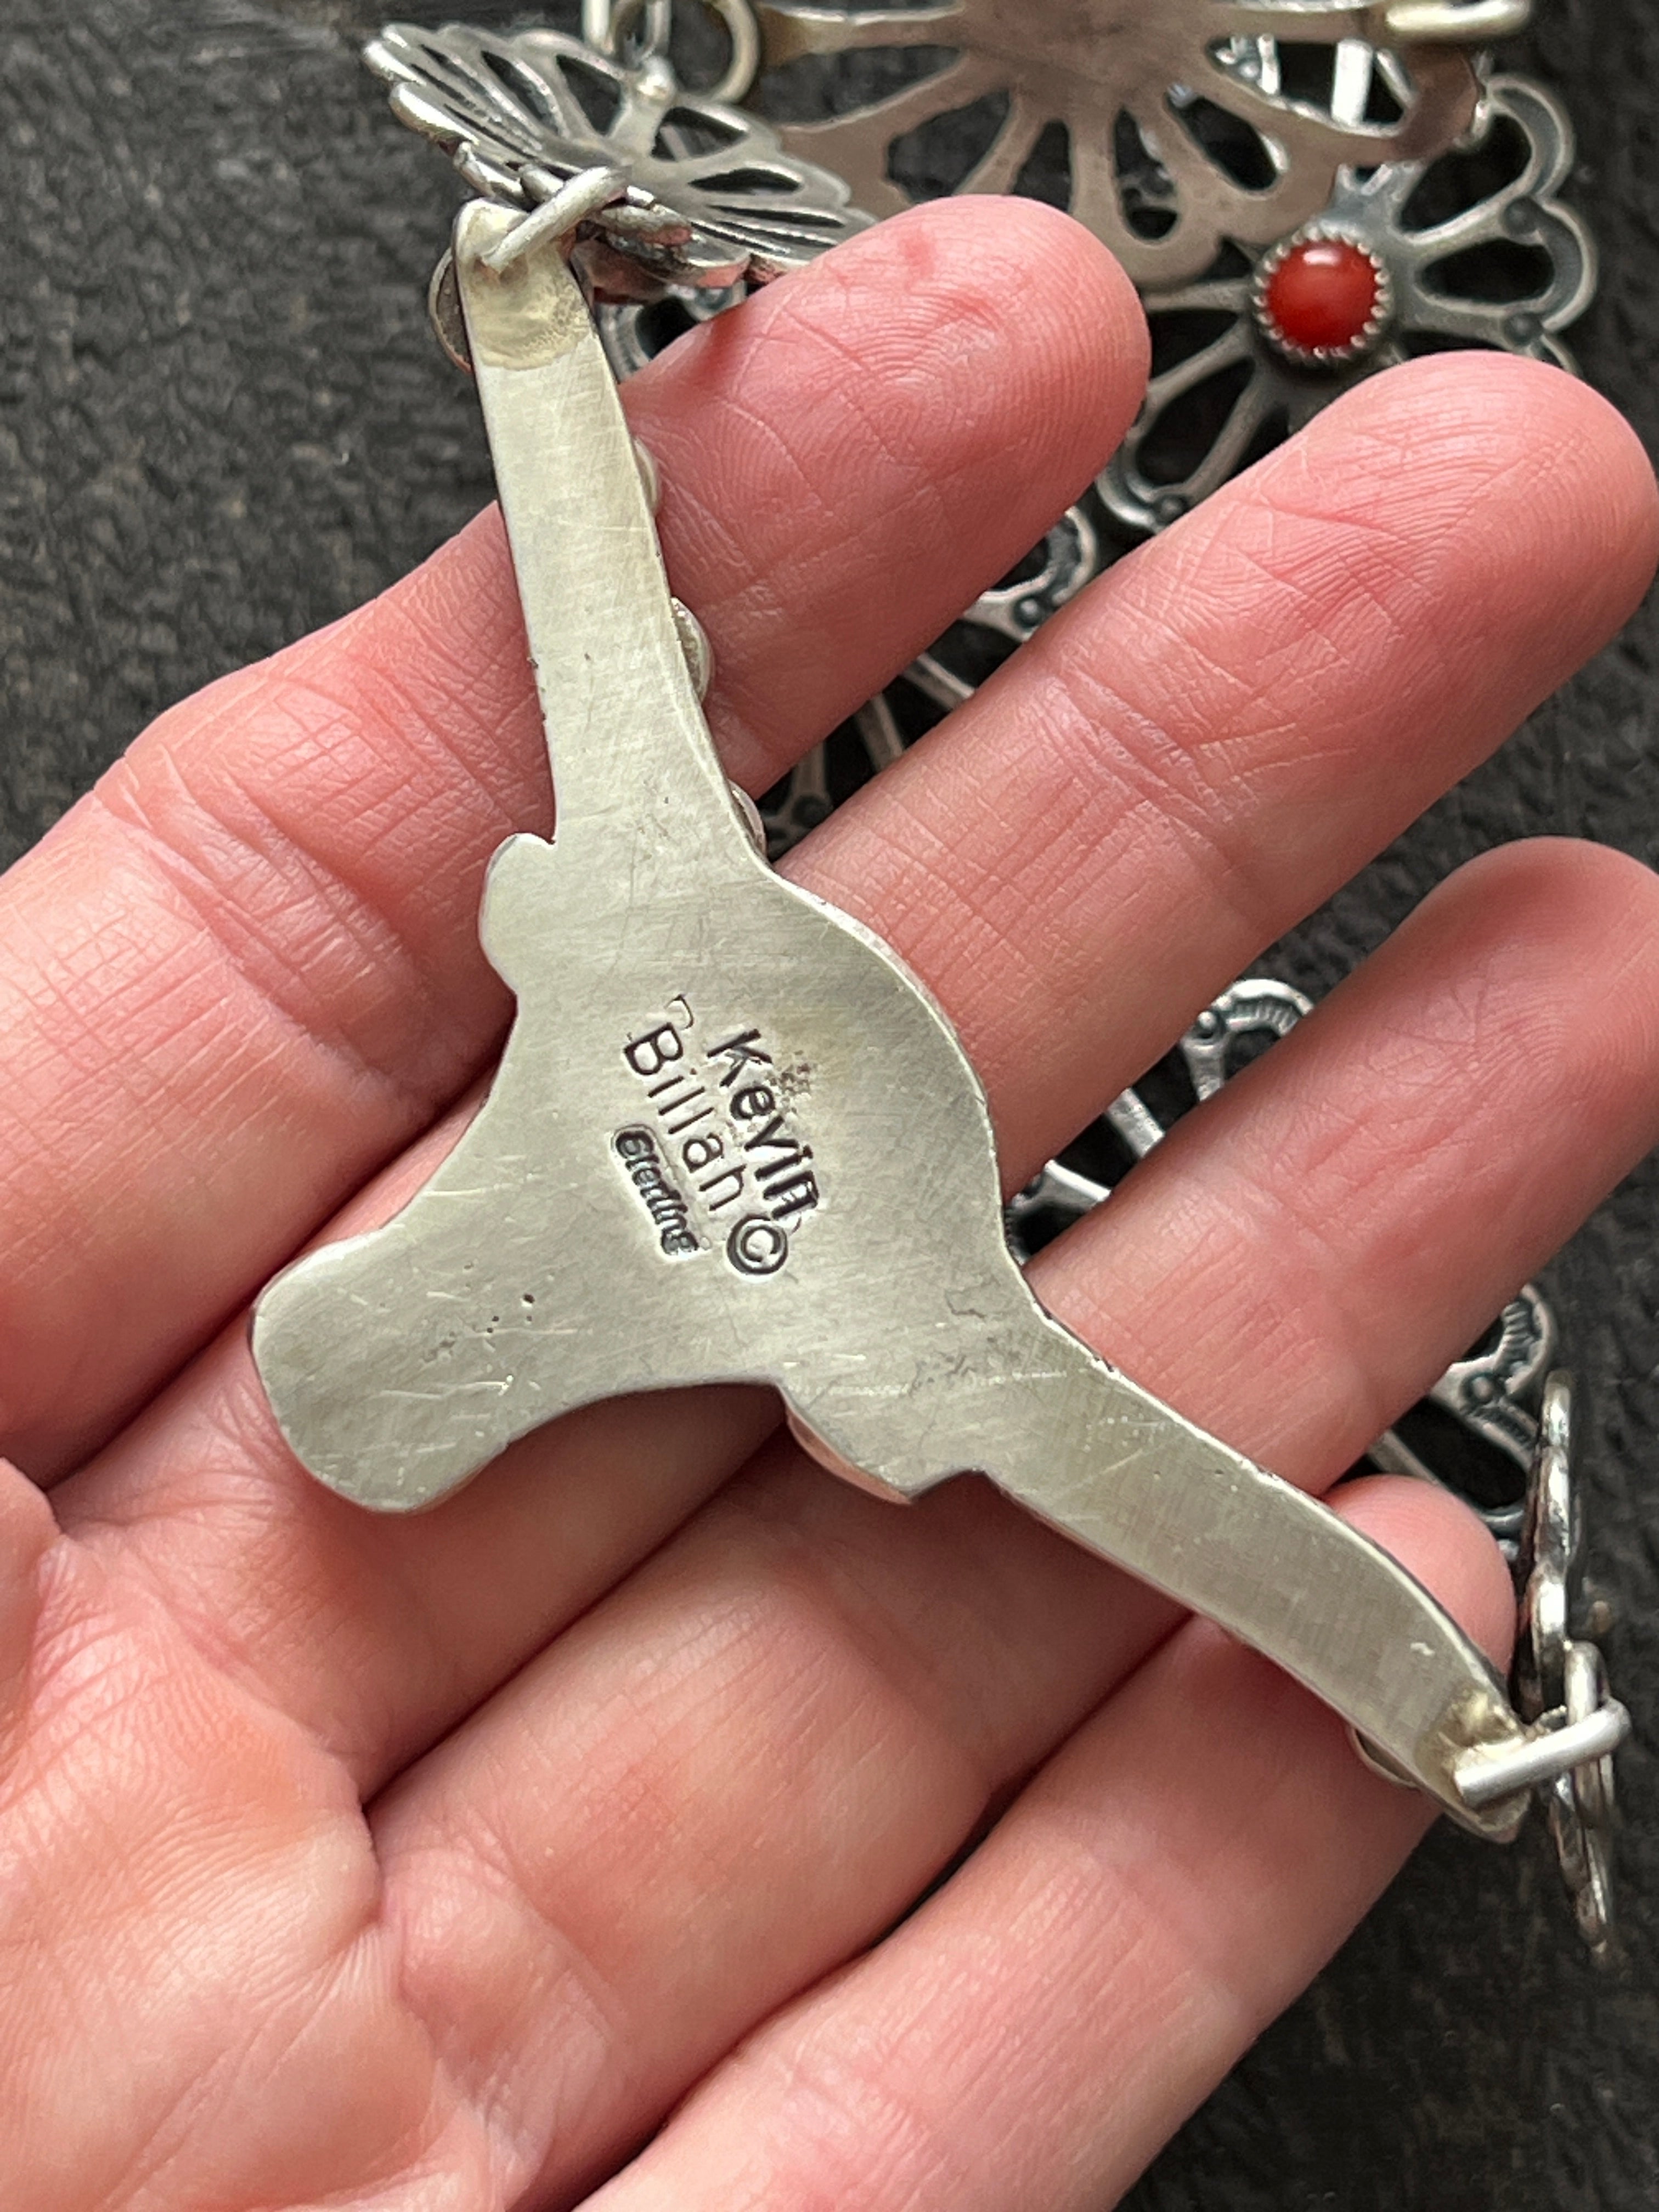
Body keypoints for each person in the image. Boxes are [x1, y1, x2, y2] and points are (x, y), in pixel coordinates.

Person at [1, 196, 1655, 2209]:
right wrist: (530, 329)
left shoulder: (653, 946)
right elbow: (1153, 1486)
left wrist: (537, 334)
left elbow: (612, 652)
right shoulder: (670, 974)